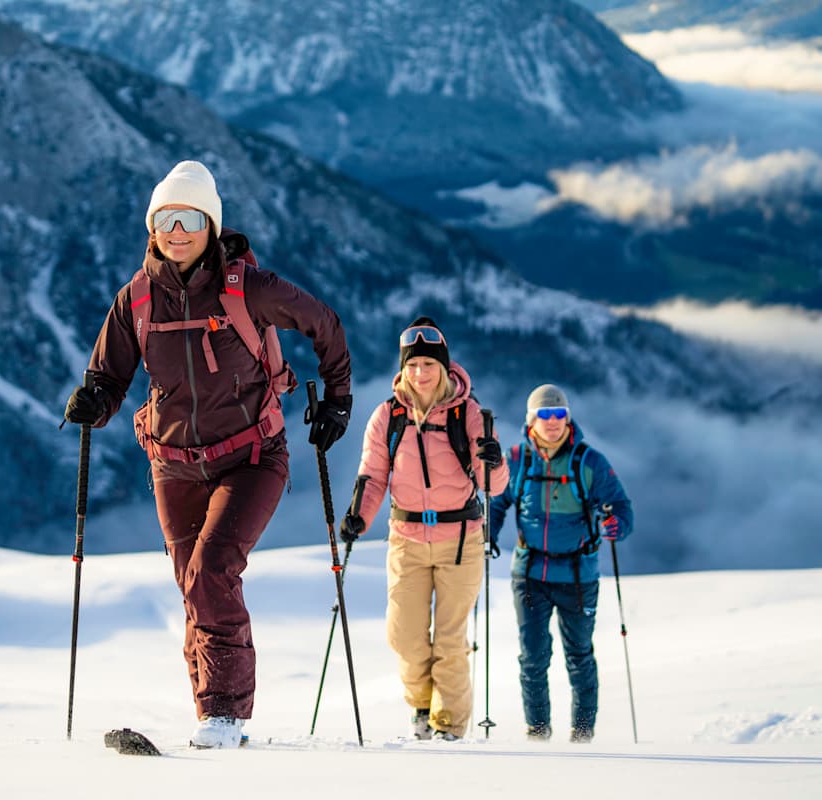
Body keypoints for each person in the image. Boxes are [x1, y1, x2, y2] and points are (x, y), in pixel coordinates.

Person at [63, 160, 353, 749]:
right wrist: (95, 399)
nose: (177, 229)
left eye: (191, 217)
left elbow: (324, 324)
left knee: (211, 571)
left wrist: (338, 402)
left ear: (211, 226)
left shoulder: (250, 288)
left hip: (252, 456)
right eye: (166, 217)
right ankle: (212, 716)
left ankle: (224, 716)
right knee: (192, 584)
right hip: (172, 463)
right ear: (152, 226)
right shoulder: (136, 300)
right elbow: (110, 375)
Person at [339, 316, 508, 741]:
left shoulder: (468, 414)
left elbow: (494, 487)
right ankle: (420, 705)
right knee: (404, 637)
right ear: (403, 368)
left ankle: (447, 726)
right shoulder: (387, 417)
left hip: (460, 540)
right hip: (407, 540)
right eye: (413, 365)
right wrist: (359, 516)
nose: (420, 373)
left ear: (444, 367)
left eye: (428, 365)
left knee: (450, 642)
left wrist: (494, 459)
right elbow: (372, 476)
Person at [488, 384, 633, 743]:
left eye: (559, 414)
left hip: (578, 575)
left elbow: (621, 505)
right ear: (531, 420)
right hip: (530, 573)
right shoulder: (517, 459)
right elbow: (496, 501)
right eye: (544, 415)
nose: (552, 422)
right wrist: (487, 533)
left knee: (579, 656)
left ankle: (582, 735)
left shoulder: (590, 462)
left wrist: (618, 523)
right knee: (533, 657)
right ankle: (538, 734)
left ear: (567, 418)